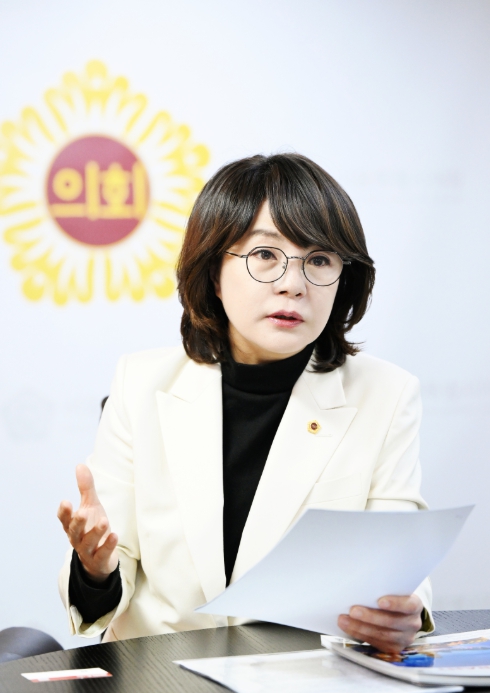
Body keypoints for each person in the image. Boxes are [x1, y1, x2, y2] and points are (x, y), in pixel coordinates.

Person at [58, 153, 434, 653]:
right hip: (161, 672)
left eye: (319, 260)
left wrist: (402, 610)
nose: (293, 284)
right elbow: (111, 568)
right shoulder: (141, 383)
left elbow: (397, 562)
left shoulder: (386, 394)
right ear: (214, 272)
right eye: (265, 255)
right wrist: (96, 568)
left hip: (303, 676)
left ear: (344, 278)